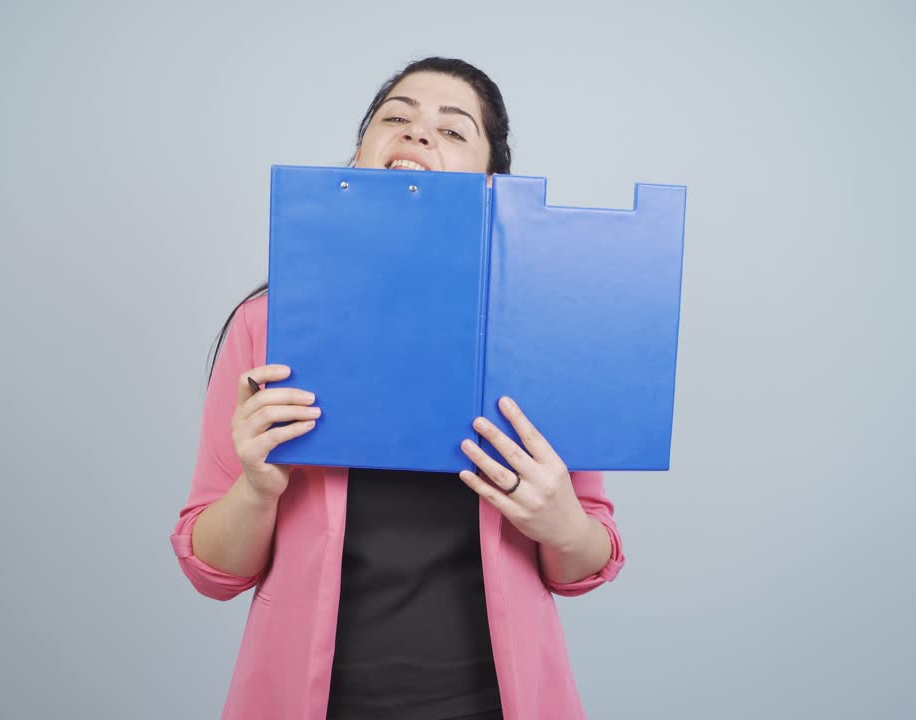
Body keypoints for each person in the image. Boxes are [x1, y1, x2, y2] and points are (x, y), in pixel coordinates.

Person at [171, 57, 625, 720]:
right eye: (396, 118)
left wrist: (560, 524)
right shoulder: (266, 326)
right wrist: (256, 488)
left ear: (491, 184)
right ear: (358, 156)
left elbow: (586, 561)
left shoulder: (542, 330)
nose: (416, 135)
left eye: (452, 130)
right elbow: (212, 570)